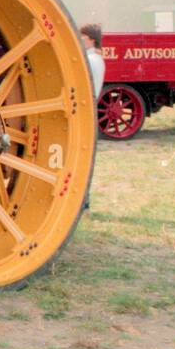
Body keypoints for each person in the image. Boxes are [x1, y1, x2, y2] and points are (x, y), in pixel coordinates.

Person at [79, 24, 104, 212]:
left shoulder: (91, 60)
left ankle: (83, 201)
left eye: (83, 37)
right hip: (87, 108)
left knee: (82, 158)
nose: (80, 40)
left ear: (91, 39)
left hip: (85, 109)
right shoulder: (94, 58)